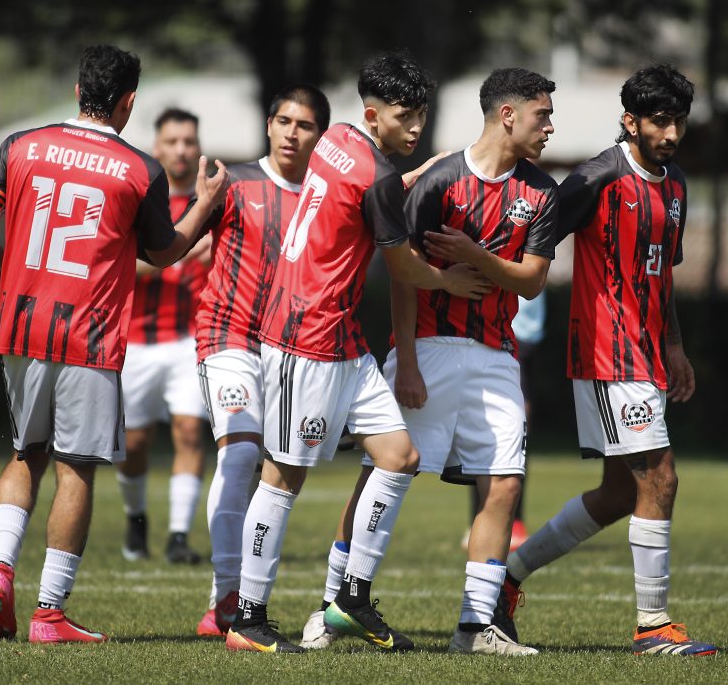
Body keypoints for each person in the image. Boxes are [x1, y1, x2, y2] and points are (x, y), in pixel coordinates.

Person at [0, 44, 227, 644]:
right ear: (128, 102)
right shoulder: (138, 169)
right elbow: (165, 252)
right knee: (76, 467)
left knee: (25, 454)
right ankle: (49, 613)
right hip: (89, 334)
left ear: (79, 91)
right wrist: (206, 204)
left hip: (23, 325)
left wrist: (13, 272)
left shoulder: (20, 146)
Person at [224, 52, 492, 654]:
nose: (415, 126)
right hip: (305, 336)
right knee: (283, 475)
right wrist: (448, 281)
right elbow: (401, 265)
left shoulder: (338, 138)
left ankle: (350, 599)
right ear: (374, 115)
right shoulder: (376, 174)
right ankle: (247, 617)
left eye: (421, 114)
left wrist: (407, 178)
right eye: (404, 116)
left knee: (399, 457)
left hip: (342, 338)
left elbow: (360, 196)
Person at [303, 68, 559, 657]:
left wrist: (474, 255)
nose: (550, 127)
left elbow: (531, 282)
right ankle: (330, 606)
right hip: (429, 348)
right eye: (542, 115)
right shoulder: (441, 180)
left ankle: (475, 627)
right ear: (508, 115)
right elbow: (403, 276)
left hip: (497, 355)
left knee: (504, 482)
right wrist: (409, 361)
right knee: (382, 476)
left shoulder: (543, 192)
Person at [500, 64, 717, 656]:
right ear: (630, 120)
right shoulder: (597, 178)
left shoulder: (675, 185)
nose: (671, 134)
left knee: (621, 494)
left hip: (647, 356)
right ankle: (653, 626)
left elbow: (660, 275)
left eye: (679, 122)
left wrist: (674, 345)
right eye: (660, 121)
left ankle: (506, 580)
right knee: (661, 478)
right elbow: (532, 239)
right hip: (607, 354)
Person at [192, 83, 331, 638]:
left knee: (266, 473)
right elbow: (173, 245)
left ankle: (224, 599)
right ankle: (230, 597)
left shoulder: (326, 198)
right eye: (284, 122)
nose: (292, 133)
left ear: (320, 136)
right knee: (241, 453)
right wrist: (200, 206)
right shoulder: (234, 184)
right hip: (226, 337)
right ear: (269, 125)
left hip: (288, 351)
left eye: (305, 125)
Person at [117, 108, 211, 565]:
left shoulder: (209, 204)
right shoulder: (140, 200)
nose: (181, 150)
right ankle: (136, 521)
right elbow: (122, 266)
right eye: (172, 141)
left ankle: (178, 537)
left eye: (188, 141)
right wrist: (182, 251)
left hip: (191, 340)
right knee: (133, 445)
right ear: (157, 148)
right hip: (135, 340)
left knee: (190, 432)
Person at [460, 290, 546, 553]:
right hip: (497, 324)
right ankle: (484, 518)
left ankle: (508, 520)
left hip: (524, 330)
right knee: (491, 424)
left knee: (515, 425)